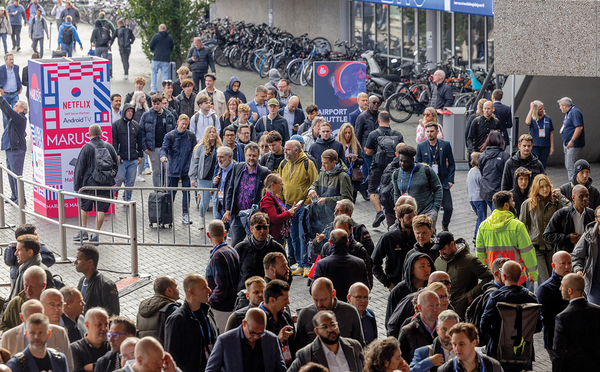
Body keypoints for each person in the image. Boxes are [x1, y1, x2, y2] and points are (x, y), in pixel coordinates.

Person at [479, 261, 541, 371]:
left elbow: (484, 325)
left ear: (503, 276)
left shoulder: (495, 297)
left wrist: (496, 335)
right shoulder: (531, 297)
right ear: (521, 275)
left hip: (498, 353)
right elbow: (538, 326)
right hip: (524, 353)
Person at [476, 190, 539, 285]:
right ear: (506, 205)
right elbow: (527, 253)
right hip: (516, 277)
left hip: (496, 277)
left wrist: (490, 271)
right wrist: (533, 274)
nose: (514, 203)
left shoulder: (483, 226)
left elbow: (480, 254)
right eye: (512, 201)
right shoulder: (518, 226)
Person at [277, 140, 318, 275]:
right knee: (293, 236)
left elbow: (314, 184)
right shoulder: (283, 164)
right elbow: (280, 184)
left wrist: (306, 202)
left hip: (303, 206)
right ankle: (300, 264)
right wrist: (282, 202)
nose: (285, 151)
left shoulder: (308, 163)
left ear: (297, 150)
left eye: (288, 149)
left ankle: (307, 264)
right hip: (288, 206)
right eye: (285, 149)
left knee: (303, 236)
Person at [519, 174, 570, 283]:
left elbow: (570, 210)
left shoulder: (555, 202)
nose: (545, 189)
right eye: (541, 187)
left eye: (547, 186)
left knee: (556, 279)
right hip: (536, 248)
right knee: (545, 280)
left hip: (552, 246)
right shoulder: (528, 204)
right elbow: (521, 228)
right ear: (536, 188)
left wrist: (560, 196)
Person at [72, 125, 118, 243]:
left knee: (84, 207)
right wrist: (109, 177)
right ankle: (96, 235)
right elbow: (116, 166)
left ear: (89, 134)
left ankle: (83, 232)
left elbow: (79, 168)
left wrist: (77, 186)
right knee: (101, 210)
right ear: (101, 133)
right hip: (105, 184)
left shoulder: (86, 148)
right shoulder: (109, 147)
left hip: (89, 184)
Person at [164, 274, 219, 372]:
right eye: (204, 288)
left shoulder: (208, 312)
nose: (209, 290)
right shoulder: (177, 320)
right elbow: (172, 356)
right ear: (191, 292)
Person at [432, 231, 493, 318]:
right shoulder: (438, 261)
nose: (441, 253)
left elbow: (489, 277)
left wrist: (470, 296)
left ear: (452, 244)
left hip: (464, 311)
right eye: (439, 250)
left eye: (443, 249)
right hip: (443, 312)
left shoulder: (470, 260)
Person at [206, 307, 286, 372]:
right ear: (244, 323)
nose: (256, 337)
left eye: (261, 333)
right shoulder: (224, 341)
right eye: (252, 332)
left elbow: (281, 369)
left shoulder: (271, 339)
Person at [2, 300, 73, 371]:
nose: (36, 337)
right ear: (26, 334)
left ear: (49, 333)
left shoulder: (59, 360)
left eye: (41, 332)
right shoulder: (16, 364)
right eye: (32, 333)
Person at [223, 142, 270, 246]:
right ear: (245, 156)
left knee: (256, 244)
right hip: (238, 215)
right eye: (249, 155)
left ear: (258, 156)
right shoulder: (237, 167)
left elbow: (267, 195)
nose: (251, 158)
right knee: (235, 244)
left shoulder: (264, 172)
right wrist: (228, 210)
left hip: (255, 217)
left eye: (254, 156)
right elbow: (231, 189)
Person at [296, 277, 364, 348]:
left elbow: (360, 346)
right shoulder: (305, 315)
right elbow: (299, 347)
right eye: (315, 300)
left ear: (333, 294)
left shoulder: (350, 312)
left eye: (323, 299)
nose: (319, 304)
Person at [552, 273, 600, 372]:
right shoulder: (597, 310)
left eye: (562, 285)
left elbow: (558, 352)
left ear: (570, 291)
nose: (560, 288)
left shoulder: (562, 317)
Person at [289, 310, 363, 372]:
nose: (330, 329)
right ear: (316, 332)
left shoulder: (354, 346)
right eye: (324, 327)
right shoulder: (305, 354)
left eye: (333, 325)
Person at [365, 111, 404, 227]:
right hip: (393, 167)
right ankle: (396, 211)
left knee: (372, 190)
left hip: (377, 167)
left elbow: (367, 151)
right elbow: (402, 150)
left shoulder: (373, 134)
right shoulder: (397, 134)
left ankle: (379, 212)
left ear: (378, 120)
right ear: (390, 120)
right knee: (394, 189)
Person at [234, 212, 290, 288]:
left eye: (265, 227)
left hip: (270, 296)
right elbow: (232, 275)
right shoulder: (241, 248)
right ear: (251, 229)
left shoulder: (277, 248)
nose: (262, 231)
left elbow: (288, 273)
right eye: (258, 227)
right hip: (246, 295)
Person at [416, 123, 455, 231]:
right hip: (427, 183)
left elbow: (451, 163)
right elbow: (417, 164)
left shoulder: (445, 145)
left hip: (443, 181)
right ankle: (431, 229)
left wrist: (450, 180)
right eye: (427, 131)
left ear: (437, 132)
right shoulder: (421, 146)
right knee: (430, 209)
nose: (429, 134)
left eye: (432, 131)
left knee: (448, 207)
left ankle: (445, 224)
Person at [393, 146, 443, 229]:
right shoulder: (396, 174)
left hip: (426, 213)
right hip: (407, 216)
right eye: (401, 161)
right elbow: (396, 194)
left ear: (412, 160)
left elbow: (438, 188)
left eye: (405, 162)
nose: (402, 164)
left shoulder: (426, 170)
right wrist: (399, 211)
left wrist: (435, 209)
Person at [318, 214, 373, 288]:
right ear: (334, 228)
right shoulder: (326, 247)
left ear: (351, 230)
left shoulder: (358, 249)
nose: (341, 234)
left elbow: (367, 278)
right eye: (338, 230)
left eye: (344, 231)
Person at [313, 229, 369, 301]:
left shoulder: (322, 264)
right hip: (353, 307)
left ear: (330, 242)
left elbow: (313, 289)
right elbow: (366, 287)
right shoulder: (360, 263)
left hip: (331, 307)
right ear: (347, 242)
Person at [160, 114, 197, 224]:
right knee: (172, 193)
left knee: (186, 193)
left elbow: (195, 150)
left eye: (186, 124)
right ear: (178, 122)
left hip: (186, 168)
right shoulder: (169, 135)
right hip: (174, 168)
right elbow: (164, 148)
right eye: (182, 124)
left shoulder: (191, 135)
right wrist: (163, 156)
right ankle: (168, 215)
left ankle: (185, 215)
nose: (184, 126)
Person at [205, 220, 240, 332]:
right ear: (225, 233)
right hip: (232, 304)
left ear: (208, 235)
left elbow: (221, 287)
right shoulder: (232, 250)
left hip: (221, 309)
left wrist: (210, 301)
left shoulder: (217, 256)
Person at [535, 251, 571, 361]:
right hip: (555, 341)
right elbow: (546, 320)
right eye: (563, 263)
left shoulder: (575, 283)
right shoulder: (545, 289)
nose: (567, 267)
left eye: (569, 263)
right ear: (553, 266)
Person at [372, 204, 416, 289]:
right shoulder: (389, 237)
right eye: (409, 217)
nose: (412, 220)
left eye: (414, 216)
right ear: (400, 219)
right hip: (397, 284)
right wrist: (387, 283)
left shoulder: (419, 236)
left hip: (416, 283)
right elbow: (374, 262)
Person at [385, 252, 434, 325]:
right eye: (422, 266)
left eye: (429, 266)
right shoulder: (398, 291)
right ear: (411, 270)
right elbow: (390, 321)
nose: (427, 270)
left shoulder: (431, 288)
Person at [544, 184, 594, 253]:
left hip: (586, 256)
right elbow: (547, 235)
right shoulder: (561, 214)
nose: (585, 199)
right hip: (567, 256)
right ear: (573, 198)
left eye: (587, 196)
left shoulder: (591, 214)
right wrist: (568, 238)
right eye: (581, 196)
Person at [140, 94, 176, 187]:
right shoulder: (146, 115)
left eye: (158, 103)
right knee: (156, 171)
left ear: (161, 103)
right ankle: (157, 192)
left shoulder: (169, 115)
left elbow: (174, 131)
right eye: (154, 104)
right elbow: (141, 132)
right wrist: (144, 147)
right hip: (153, 148)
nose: (156, 106)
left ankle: (166, 190)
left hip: (166, 147)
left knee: (166, 170)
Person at [308, 149, 353, 224]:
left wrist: (327, 200)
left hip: (336, 216)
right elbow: (316, 183)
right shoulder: (323, 171)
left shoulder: (343, 176)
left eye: (325, 163)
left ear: (334, 163)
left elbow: (347, 199)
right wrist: (312, 189)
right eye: (322, 162)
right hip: (323, 214)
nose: (323, 165)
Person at [4, 224, 55, 289]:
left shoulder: (40, 272)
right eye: (35, 234)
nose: (15, 253)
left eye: (18, 250)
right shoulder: (22, 269)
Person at [437, 323, 503, 372]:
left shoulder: (493, 366)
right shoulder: (444, 370)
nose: (457, 349)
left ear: (474, 343)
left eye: (461, 344)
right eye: (454, 344)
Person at [188, 125, 220, 227]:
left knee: (216, 202)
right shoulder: (200, 147)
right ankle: (201, 218)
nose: (212, 133)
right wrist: (193, 177)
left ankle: (216, 224)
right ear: (206, 134)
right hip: (203, 178)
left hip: (216, 179)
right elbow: (194, 162)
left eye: (213, 132)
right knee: (204, 202)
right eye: (210, 132)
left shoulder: (220, 147)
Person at [74, 244, 119, 316]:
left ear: (90, 262)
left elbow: (113, 314)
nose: (75, 262)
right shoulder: (82, 281)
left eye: (79, 259)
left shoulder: (105, 285)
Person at [397, 290, 440, 364]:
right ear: (419, 308)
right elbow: (400, 363)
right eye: (431, 305)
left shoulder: (446, 329)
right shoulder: (407, 332)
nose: (435, 309)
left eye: (437, 305)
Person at [0, 266, 47, 332]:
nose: (28, 290)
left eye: (33, 286)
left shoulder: (51, 304)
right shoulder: (15, 303)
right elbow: (3, 326)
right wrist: (18, 335)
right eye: (26, 285)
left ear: (43, 286)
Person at [112, 103, 143, 201]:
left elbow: (140, 141)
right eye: (128, 111)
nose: (130, 113)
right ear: (124, 112)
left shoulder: (136, 125)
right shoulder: (116, 125)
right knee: (119, 178)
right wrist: (116, 153)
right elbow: (114, 141)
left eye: (131, 111)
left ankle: (127, 199)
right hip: (122, 158)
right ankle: (114, 193)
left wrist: (140, 155)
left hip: (133, 159)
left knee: (130, 181)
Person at [136, 275, 181, 343]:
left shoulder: (142, 307)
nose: (178, 289)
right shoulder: (172, 309)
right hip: (162, 351)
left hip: (144, 350)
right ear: (169, 290)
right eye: (176, 287)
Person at [572, 205, 600, 304]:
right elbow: (576, 256)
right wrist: (578, 270)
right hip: (594, 286)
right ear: (596, 219)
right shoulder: (588, 235)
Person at [70, 307, 111, 372]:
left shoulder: (112, 346)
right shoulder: (75, 349)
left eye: (106, 324)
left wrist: (93, 366)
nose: (104, 328)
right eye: (99, 324)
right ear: (87, 325)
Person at [477, 131, 510, 211]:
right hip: (499, 191)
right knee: (496, 214)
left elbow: (481, 171)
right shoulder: (505, 156)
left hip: (486, 191)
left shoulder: (483, 155)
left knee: (494, 212)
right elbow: (507, 175)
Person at [260, 174, 296, 244]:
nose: (282, 187)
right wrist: (289, 213)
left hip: (280, 236)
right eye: (280, 184)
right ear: (273, 185)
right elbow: (274, 218)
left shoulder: (276, 198)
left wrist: (292, 212)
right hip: (274, 236)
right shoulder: (267, 199)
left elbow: (283, 214)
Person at [557, 97, 585, 180]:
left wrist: (572, 140)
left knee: (570, 166)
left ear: (564, 105)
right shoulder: (569, 113)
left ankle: (573, 185)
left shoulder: (574, 112)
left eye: (560, 106)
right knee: (569, 165)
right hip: (568, 144)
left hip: (573, 144)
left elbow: (579, 127)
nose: (560, 108)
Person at [337, 123, 364, 202]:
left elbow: (362, 160)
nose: (347, 135)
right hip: (342, 176)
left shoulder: (355, 144)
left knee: (352, 200)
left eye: (349, 133)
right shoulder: (338, 145)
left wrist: (355, 160)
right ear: (342, 134)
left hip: (353, 177)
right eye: (345, 133)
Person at [525, 100, 554, 168]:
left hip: (545, 145)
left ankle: (542, 177)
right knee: (535, 162)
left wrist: (552, 147)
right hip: (534, 145)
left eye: (542, 108)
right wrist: (531, 108)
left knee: (543, 164)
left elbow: (551, 133)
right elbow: (527, 122)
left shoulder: (547, 118)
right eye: (540, 109)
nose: (542, 110)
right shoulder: (532, 118)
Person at [148, 24, 173, 94]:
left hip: (156, 58)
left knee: (153, 73)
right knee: (165, 75)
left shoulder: (156, 36)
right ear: (166, 29)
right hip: (166, 59)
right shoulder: (169, 37)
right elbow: (172, 47)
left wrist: (155, 51)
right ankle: (164, 90)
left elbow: (151, 46)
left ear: (159, 29)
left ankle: (153, 89)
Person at [466, 152, 485, 243]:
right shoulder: (480, 173)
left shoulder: (470, 171)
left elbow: (467, 185)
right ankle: (476, 237)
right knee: (481, 218)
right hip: (479, 199)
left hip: (471, 198)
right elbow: (483, 186)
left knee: (479, 217)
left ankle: (476, 236)